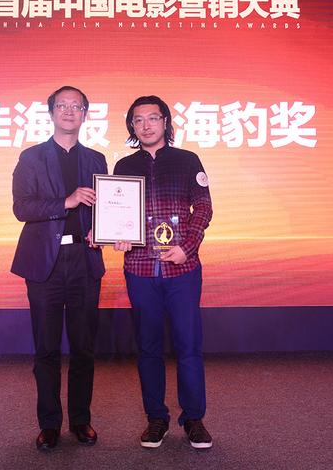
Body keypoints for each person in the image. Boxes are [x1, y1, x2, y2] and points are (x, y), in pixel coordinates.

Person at [113, 95, 213, 449]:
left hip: (182, 268)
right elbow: (118, 213)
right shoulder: (124, 165)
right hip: (139, 270)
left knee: (189, 346)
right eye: (138, 120)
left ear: (165, 122)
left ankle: (194, 419)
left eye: (153, 118)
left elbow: (204, 207)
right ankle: (156, 418)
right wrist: (117, 235)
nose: (146, 125)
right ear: (132, 126)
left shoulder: (187, 161)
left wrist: (188, 246)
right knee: (148, 348)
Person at [11, 86, 107, 451]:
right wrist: (65, 201)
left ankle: (81, 420)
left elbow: (104, 207)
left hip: (84, 260)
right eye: (62, 105)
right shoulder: (31, 157)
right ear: (51, 112)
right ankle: (49, 423)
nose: (69, 111)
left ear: (85, 114)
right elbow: (22, 208)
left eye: (76, 106)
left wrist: (102, 230)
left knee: (83, 347)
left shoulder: (96, 159)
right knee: (47, 349)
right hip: (44, 264)